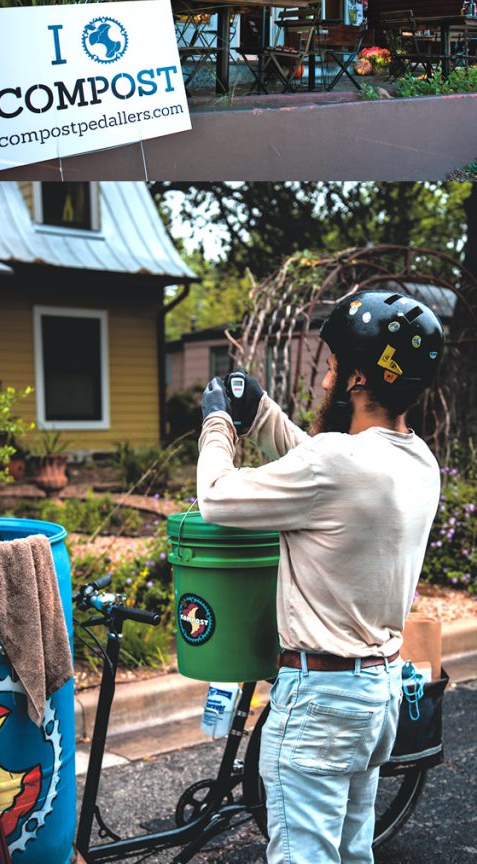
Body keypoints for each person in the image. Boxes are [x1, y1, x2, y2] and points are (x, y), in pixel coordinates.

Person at [197, 289, 444, 864]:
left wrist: (216, 423)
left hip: (320, 702)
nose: (327, 378)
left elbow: (215, 497)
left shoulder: (337, 463)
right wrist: (262, 415)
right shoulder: (417, 464)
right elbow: (330, 476)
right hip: (376, 696)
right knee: (351, 854)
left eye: (334, 367)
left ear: (360, 378)